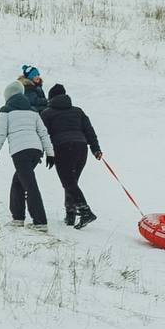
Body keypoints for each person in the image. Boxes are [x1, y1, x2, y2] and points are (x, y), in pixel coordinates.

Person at [0, 81, 54, 231]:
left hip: (20, 151)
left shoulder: (5, 110)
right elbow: (43, 133)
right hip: (36, 150)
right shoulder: (32, 110)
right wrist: (50, 153)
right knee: (18, 182)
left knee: (29, 185)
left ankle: (40, 222)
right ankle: (18, 218)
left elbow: (1, 133)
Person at [40, 83, 103, 229]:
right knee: (72, 182)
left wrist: (46, 152)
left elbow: (43, 135)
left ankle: (85, 211)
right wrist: (96, 149)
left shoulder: (47, 113)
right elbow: (89, 131)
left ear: (51, 98)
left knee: (68, 182)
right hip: (81, 148)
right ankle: (70, 214)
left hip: (63, 148)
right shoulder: (78, 111)